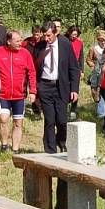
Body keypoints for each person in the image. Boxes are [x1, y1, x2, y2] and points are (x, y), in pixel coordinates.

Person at [0, 30, 37, 153]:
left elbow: (32, 72)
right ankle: (4, 145)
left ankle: (15, 149)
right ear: (9, 41)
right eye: (18, 41)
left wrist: (33, 91)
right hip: (3, 94)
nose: (21, 43)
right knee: (3, 119)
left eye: (21, 40)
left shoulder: (25, 53)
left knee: (18, 123)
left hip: (19, 95)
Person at [35, 19, 80, 153]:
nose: (47, 38)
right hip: (45, 86)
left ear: (55, 33)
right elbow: (35, 68)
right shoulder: (40, 47)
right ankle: (50, 150)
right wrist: (36, 88)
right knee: (49, 120)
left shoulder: (65, 44)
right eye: (45, 35)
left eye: (49, 35)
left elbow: (74, 68)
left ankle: (62, 141)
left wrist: (74, 89)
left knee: (61, 120)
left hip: (61, 87)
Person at [66, 26, 84, 121]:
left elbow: (81, 57)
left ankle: (73, 109)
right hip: (65, 69)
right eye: (72, 35)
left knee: (75, 89)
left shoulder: (79, 43)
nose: (74, 37)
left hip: (76, 69)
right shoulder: (65, 41)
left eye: (76, 35)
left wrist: (82, 70)